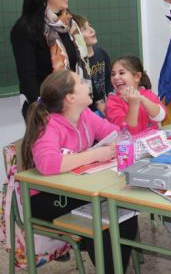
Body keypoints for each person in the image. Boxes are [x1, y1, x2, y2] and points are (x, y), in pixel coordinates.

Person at [21, 69, 138, 273]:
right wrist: (95, 154)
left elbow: (115, 133)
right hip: (46, 197)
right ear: (70, 98)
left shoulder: (85, 115)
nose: (87, 83)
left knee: (124, 215)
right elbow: (47, 164)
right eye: (81, 82)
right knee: (102, 223)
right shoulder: (49, 124)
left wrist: (119, 138)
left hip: (77, 190)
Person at [10, 0, 92, 118]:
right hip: (44, 112)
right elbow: (28, 79)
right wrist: (45, 112)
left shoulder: (70, 24)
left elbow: (79, 66)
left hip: (74, 107)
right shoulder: (25, 29)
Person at [105, 55, 165, 134]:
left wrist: (141, 98)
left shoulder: (147, 94)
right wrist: (133, 105)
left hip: (151, 141)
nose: (116, 77)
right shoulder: (112, 102)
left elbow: (160, 116)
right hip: (129, 144)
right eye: (113, 74)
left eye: (121, 73)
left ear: (137, 77)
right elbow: (127, 132)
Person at [72, 14, 113, 115]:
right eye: (84, 29)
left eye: (89, 25)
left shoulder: (102, 53)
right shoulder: (77, 63)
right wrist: (98, 106)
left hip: (106, 106)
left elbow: (108, 80)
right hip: (88, 111)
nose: (92, 30)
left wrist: (110, 100)